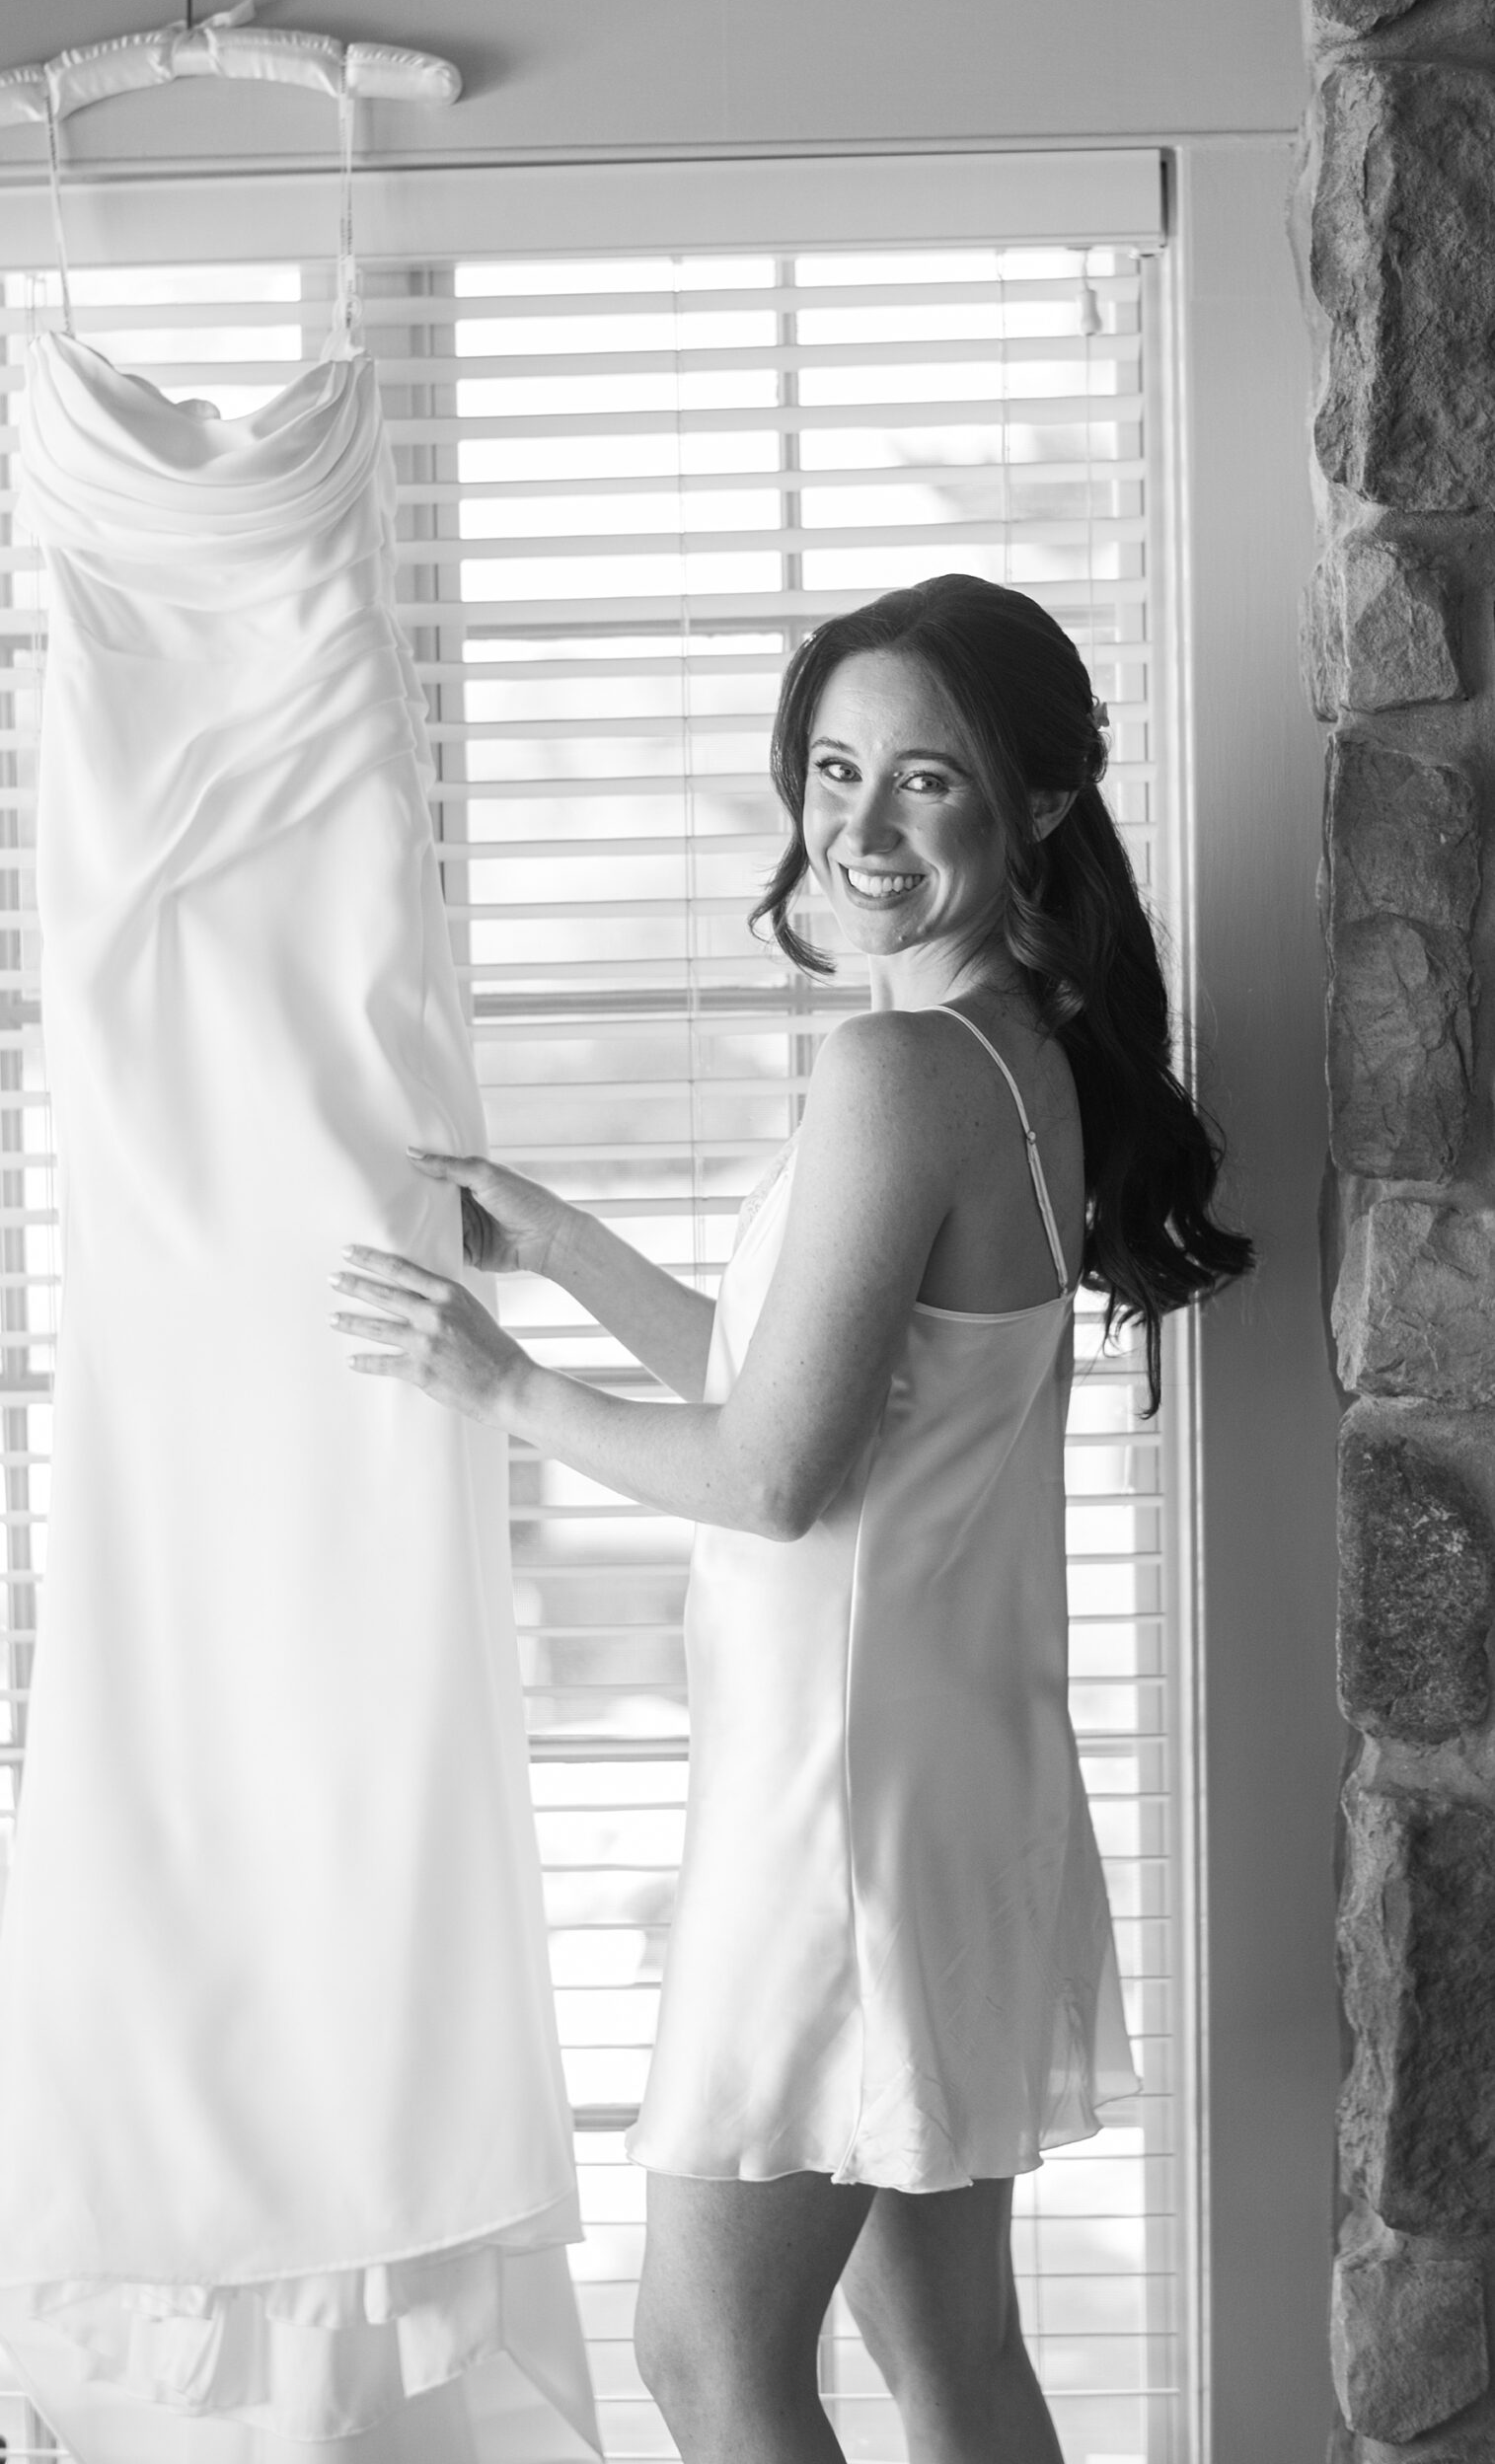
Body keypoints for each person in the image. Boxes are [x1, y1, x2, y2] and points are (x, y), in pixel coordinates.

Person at [329, 572, 1253, 2463]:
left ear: (1040, 803)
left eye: (929, 781)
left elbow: (771, 1475)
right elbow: (801, 1381)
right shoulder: (1016, 1052)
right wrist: (554, 1244)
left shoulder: (901, 1068)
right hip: (939, 1778)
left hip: (837, 1812)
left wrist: (490, 1384)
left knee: (707, 2351)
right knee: (951, 2347)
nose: (861, 827)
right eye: (837, 772)